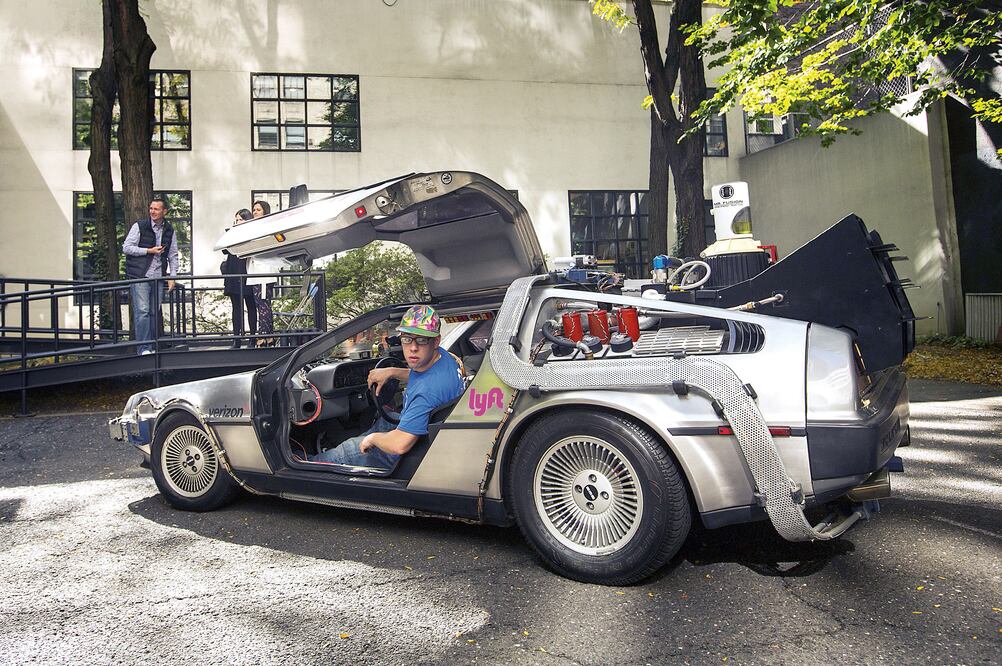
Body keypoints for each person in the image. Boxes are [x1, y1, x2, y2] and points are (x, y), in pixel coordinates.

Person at [308, 305, 465, 473]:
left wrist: (372, 439)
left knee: (351, 448)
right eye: (407, 339)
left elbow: (399, 445)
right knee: (384, 420)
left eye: (421, 340)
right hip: (428, 433)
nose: (413, 348)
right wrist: (392, 372)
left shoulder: (427, 391)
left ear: (436, 341)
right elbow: (423, 375)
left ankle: (310, 464)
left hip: (406, 454)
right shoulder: (444, 359)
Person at [122, 197, 178, 355]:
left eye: (156, 209)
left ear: (164, 212)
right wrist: (148, 251)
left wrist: (172, 276)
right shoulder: (140, 226)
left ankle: (152, 347)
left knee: (154, 311)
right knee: (143, 311)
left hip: (158, 276)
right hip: (140, 275)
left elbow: (173, 255)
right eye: (151, 208)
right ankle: (144, 348)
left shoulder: (169, 229)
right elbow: (127, 247)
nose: (153, 211)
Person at [220, 209, 256, 348]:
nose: (238, 222)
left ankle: (252, 338)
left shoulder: (252, 233)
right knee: (236, 307)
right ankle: (237, 339)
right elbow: (224, 249)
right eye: (236, 219)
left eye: (241, 219)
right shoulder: (232, 233)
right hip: (233, 270)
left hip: (247, 271)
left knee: (251, 305)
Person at [247, 199, 275, 346]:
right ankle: (269, 336)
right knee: (262, 304)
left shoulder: (265, 226)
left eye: (258, 209)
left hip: (263, 271)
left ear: (265, 211)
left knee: (263, 304)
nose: (255, 212)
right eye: (254, 209)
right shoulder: (254, 226)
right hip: (256, 271)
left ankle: (264, 336)